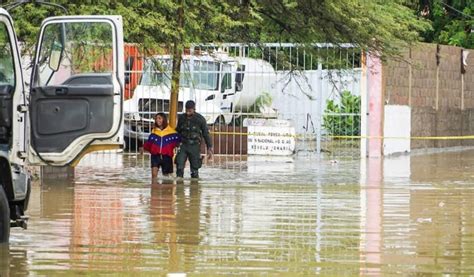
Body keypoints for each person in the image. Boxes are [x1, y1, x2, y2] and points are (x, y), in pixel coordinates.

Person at [175, 100, 213, 179]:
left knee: (194, 170)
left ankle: (195, 189)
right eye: (186, 110)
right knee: (179, 166)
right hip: (183, 145)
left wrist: (209, 147)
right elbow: (177, 131)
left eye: (190, 111)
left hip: (194, 146)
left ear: (194, 109)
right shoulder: (182, 118)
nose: (188, 113)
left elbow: (206, 133)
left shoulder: (200, 119)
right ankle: (179, 189)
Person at [143, 113, 180, 184]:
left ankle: (165, 192)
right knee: (154, 176)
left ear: (164, 119)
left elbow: (177, 143)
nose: (157, 120)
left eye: (159, 118)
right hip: (155, 156)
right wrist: (143, 147)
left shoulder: (172, 132)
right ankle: (154, 191)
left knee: (167, 179)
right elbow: (149, 143)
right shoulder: (154, 131)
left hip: (167, 157)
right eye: (156, 118)